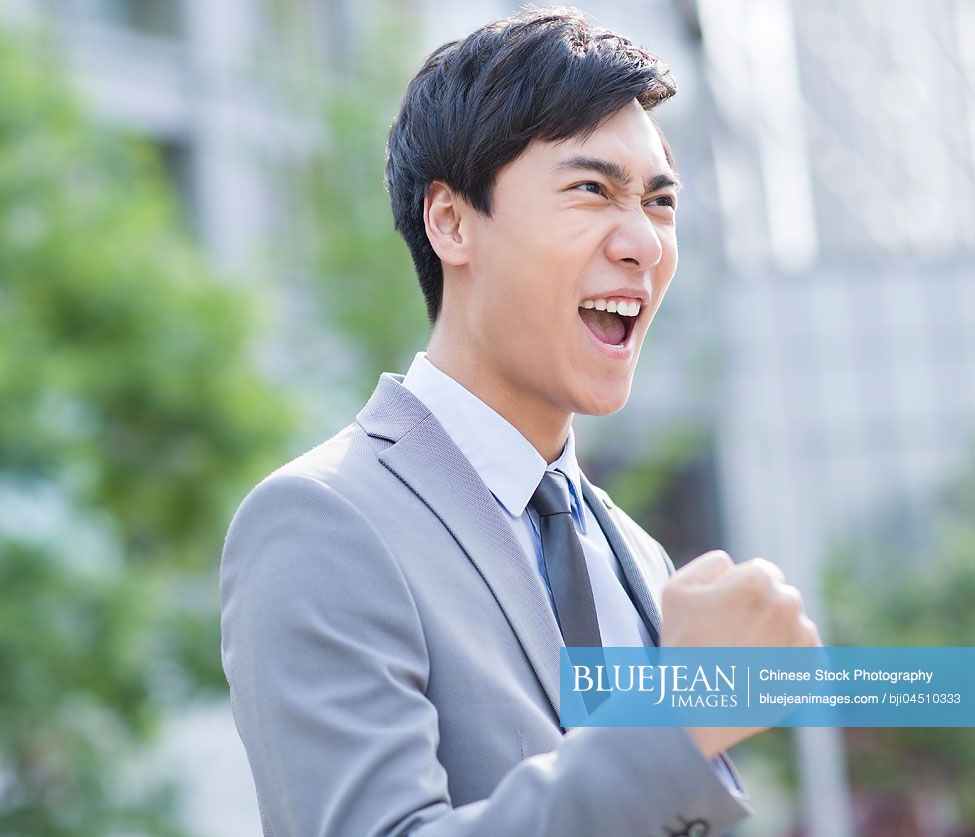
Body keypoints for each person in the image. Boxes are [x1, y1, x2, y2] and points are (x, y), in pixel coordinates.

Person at [219, 6, 821, 836]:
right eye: (591, 189)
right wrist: (677, 722)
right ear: (451, 220)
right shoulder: (320, 520)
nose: (643, 241)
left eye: (658, 201)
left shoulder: (638, 556)